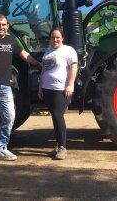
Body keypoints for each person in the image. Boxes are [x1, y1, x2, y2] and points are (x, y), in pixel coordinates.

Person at [0, 14, 40, 165]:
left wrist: (38, 64)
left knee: (10, 116)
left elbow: (24, 54)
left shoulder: (11, 41)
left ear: (7, 26)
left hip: (6, 86)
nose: (1, 27)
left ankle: (1, 147)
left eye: (4, 25)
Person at [38, 28, 78, 160]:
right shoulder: (48, 51)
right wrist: (40, 87)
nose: (55, 40)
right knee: (54, 117)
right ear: (50, 39)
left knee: (58, 115)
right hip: (47, 88)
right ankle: (57, 145)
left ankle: (62, 147)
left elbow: (74, 67)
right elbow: (44, 70)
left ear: (62, 38)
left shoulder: (68, 50)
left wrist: (70, 84)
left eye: (57, 37)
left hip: (61, 89)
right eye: (53, 37)